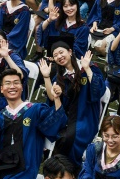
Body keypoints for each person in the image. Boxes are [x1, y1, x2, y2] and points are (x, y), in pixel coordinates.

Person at [41, 36, 104, 167]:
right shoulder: (60, 77)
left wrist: (87, 69)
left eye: (61, 52)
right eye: (55, 55)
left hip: (85, 117)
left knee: (67, 138)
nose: (59, 56)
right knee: (43, 127)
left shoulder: (88, 67)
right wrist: (46, 77)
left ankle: (65, 168)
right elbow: (52, 98)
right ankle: (55, 166)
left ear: (70, 51)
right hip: (65, 117)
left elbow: (99, 92)